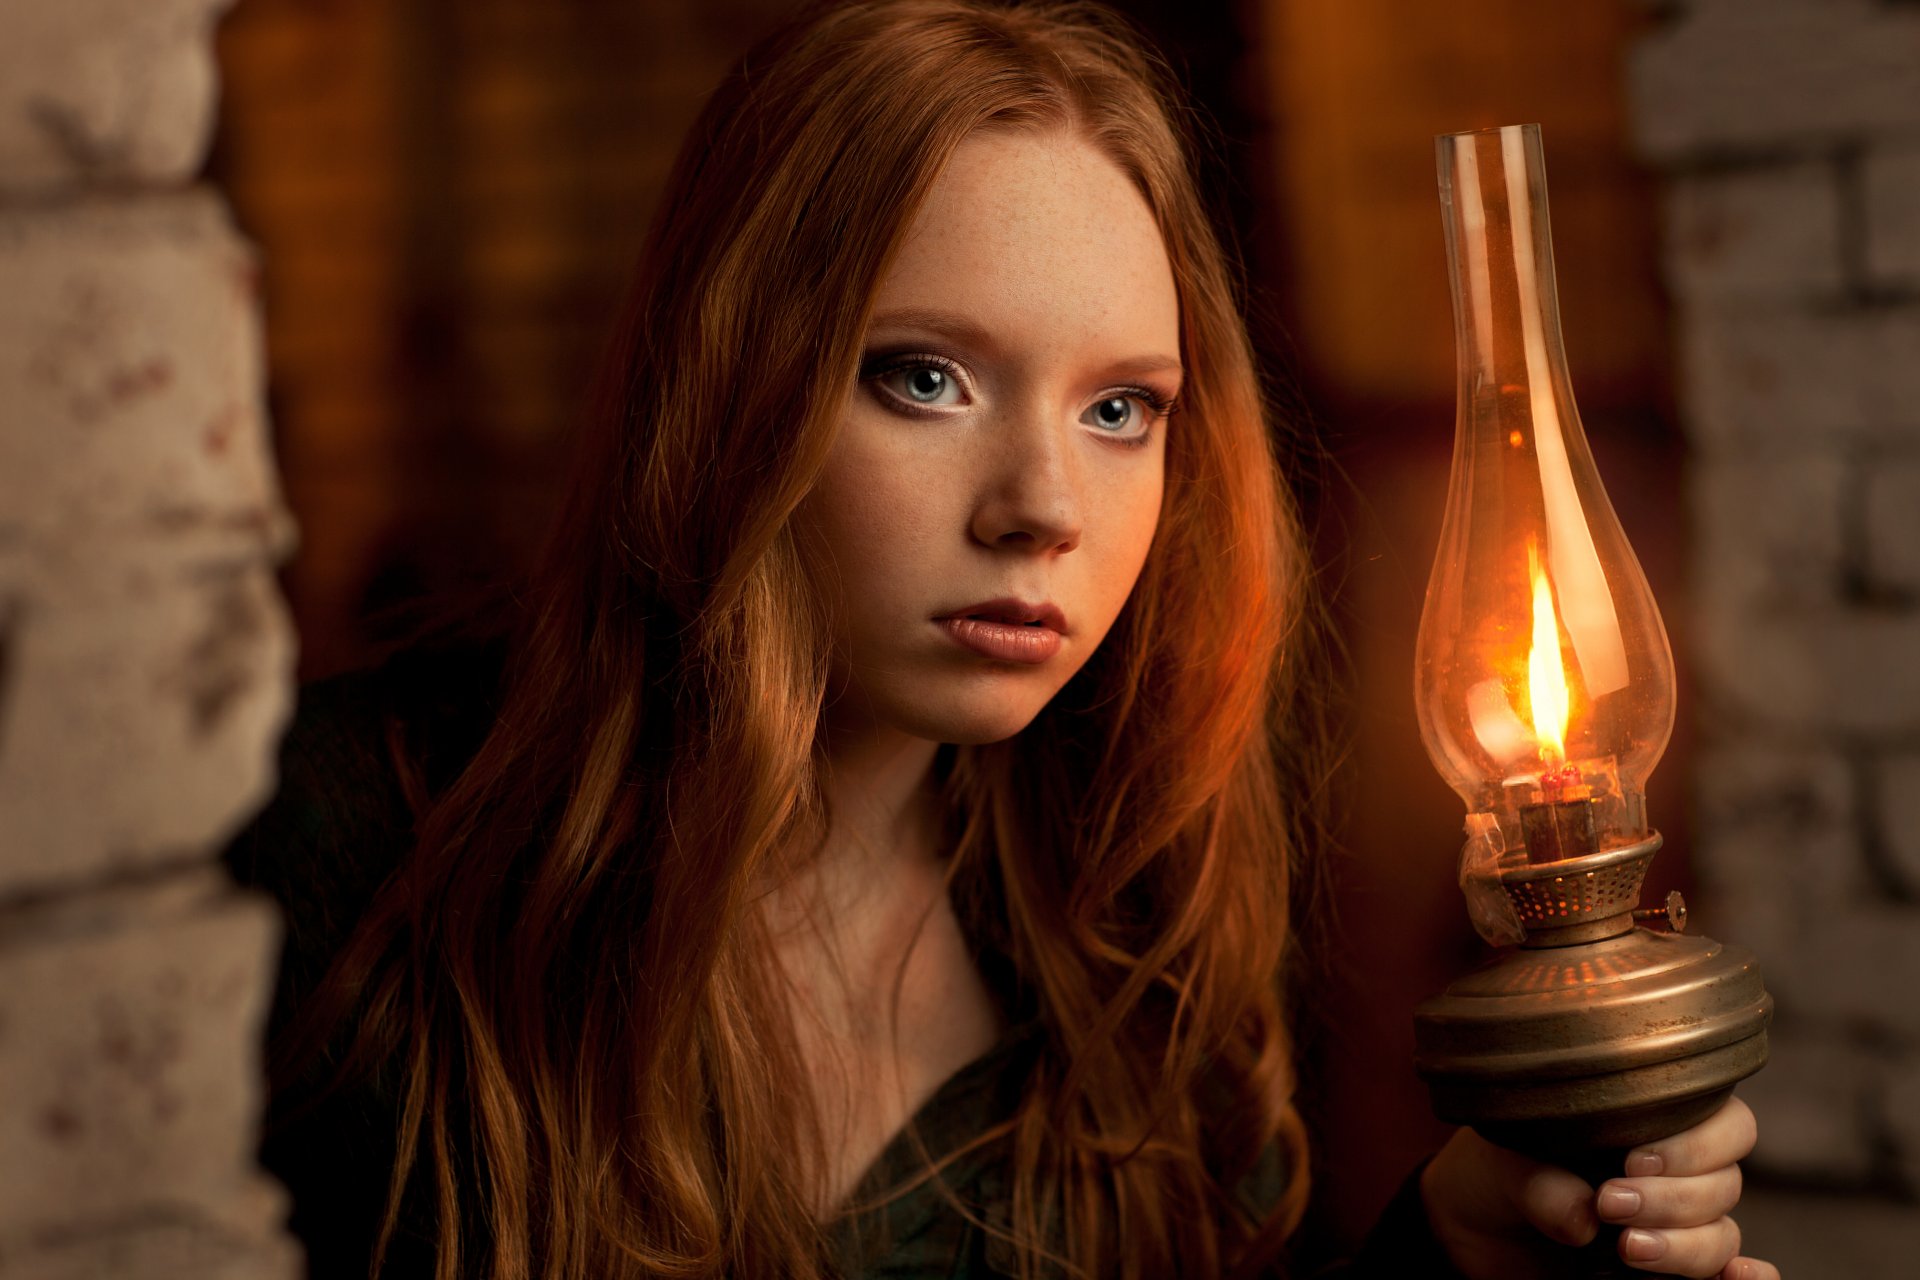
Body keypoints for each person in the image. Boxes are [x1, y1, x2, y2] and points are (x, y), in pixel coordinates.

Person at [223, 2, 1778, 1277]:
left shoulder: (1130, 940)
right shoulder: (340, 857)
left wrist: (1456, 1251)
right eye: (924, 378)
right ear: (731, 386)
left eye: (1121, 410)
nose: (1043, 508)